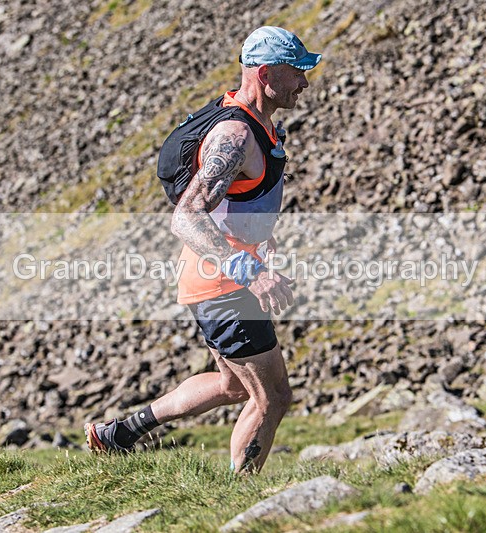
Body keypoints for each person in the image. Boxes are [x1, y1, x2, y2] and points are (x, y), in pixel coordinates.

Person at [85, 26, 321, 473]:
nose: (304, 83)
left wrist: (261, 245)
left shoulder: (260, 126)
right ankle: (239, 500)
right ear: (266, 73)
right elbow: (187, 216)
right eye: (297, 72)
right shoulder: (234, 136)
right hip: (223, 284)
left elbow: (238, 204)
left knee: (233, 385)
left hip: (217, 277)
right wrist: (251, 272)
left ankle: (119, 434)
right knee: (272, 397)